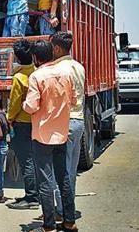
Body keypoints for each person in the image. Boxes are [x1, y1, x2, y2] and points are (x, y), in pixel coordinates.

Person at [23, 40, 78, 232]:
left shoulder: (36, 77)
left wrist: (24, 105)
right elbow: (73, 100)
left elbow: (31, 106)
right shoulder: (66, 73)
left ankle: (49, 226)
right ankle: (69, 221)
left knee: (45, 181)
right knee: (63, 177)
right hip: (62, 133)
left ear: (36, 58)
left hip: (42, 135)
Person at [49, 32, 85, 220]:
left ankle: (63, 210)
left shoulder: (58, 70)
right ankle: (69, 206)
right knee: (71, 170)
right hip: (78, 121)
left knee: (59, 171)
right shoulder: (79, 67)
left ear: (56, 48)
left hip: (64, 122)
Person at [6, 39, 40, 210]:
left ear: (16, 57)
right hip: (36, 122)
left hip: (21, 122)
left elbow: (14, 104)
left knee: (25, 160)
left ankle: (32, 197)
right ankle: (36, 194)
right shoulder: (36, 72)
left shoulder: (18, 78)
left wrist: (9, 119)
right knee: (35, 159)